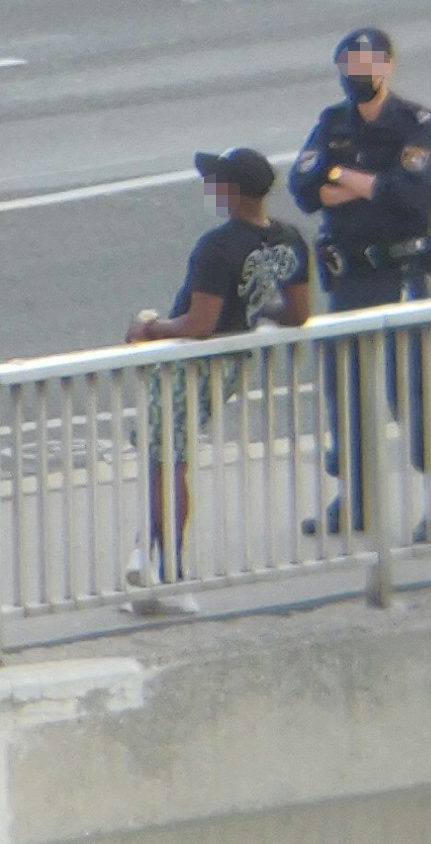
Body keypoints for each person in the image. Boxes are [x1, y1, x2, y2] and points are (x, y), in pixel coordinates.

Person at [288, 28, 431, 542]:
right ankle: (357, 499)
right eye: (347, 66)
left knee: (409, 389)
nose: (355, 76)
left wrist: (341, 178)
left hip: (398, 273)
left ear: (386, 67)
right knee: (345, 390)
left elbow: (408, 197)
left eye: (365, 66)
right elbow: (305, 189)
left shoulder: (416, 124)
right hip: (349, 278)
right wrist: (364, 181)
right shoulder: (333, 122)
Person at [124, 149, 312, 616]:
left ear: (230, 191)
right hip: (233, 359)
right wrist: (255, 311)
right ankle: (147, 557)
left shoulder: (217, 246)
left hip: (194, 363)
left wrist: (149, 329)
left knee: (167, 461)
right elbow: (298, 312)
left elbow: (200, 321)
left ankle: (168, 571)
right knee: (168, 455)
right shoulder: (288, 240)